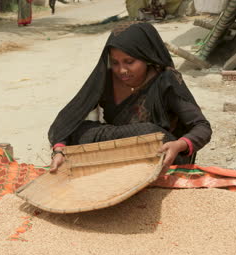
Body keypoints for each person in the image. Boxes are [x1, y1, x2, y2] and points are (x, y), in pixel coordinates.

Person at [48, 22, 212, 172]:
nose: (122, 70)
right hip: (119, 148)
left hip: (162, 153)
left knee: (149, 131)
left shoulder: (166, 80)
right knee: (76, 127)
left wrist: (178, 145)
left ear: (146, 57)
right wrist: (60, 149)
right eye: (115, 62)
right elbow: (67, 119)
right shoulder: (107, 80)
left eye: (129, 61)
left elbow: (202, 127)